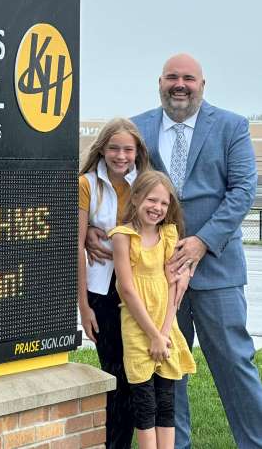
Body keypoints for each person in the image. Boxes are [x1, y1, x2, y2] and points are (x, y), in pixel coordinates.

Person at [87, 53, 262, 448]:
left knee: (235, 364)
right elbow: (113, 182)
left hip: (216, 269)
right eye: (171, 78)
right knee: (165, 368)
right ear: (160, 82)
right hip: (154, 276)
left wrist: (202, 243)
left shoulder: (232, 126)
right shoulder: (140, 127)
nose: (179, 85)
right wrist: (91, 231)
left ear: (202, 85)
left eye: (188, 78)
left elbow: (242, 192)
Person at [109, 170, 196, 449]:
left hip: (165, 326)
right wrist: (153, 335)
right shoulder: (123, 237)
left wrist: (166, 330)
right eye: (151, 200)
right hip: (138, 328)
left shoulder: (169, 234)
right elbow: (128, 290)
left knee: (166, 402)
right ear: (135, 198)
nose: (157, 208)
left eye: (164, 203)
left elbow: (173, 284)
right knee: (145, 404)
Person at [78, 117, 150, 449]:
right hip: (101, 293)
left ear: (138, 152)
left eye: (128, 149)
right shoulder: (87, 185)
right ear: (102, 149)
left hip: (138, 291)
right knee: (114, 374)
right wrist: (83, 308)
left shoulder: (147, 185)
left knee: (136, 374)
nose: (121, 156)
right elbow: (77, 247)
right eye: (114, 148)